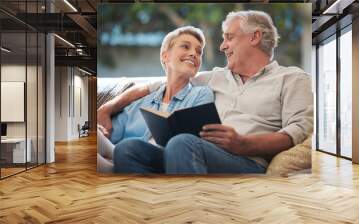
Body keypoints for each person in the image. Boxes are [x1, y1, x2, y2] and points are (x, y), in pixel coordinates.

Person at [98, 10, 313, 174]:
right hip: (193, 152)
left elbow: (299, 130)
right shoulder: (216, 76)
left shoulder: (291, 78)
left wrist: (244, 144)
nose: (222, 46)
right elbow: (152, 86)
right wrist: (108, 107)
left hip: (246, 161)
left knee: (181, 143)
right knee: (128, 148)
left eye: (229, 37)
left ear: (254, 37)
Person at [97, 26, 214, 173]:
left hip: (168, 160)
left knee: (126, 148)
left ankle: (114, 167)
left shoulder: (201, 94)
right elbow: (109, 134)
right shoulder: (140, 102)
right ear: (165, 56)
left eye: (199, 51)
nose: (193, 54)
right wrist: (101, 128)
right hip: (128, 159)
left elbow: (193, 143)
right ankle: (113, 168)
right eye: (185, 46)